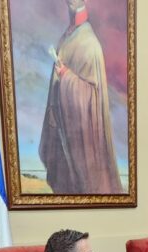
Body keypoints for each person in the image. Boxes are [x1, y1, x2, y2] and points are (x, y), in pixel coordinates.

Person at [38, 0, 123, 195]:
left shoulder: (89, 43)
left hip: (82, 141)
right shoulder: (68, 36)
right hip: (61, 127)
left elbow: (91, 96)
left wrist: (66, 76)